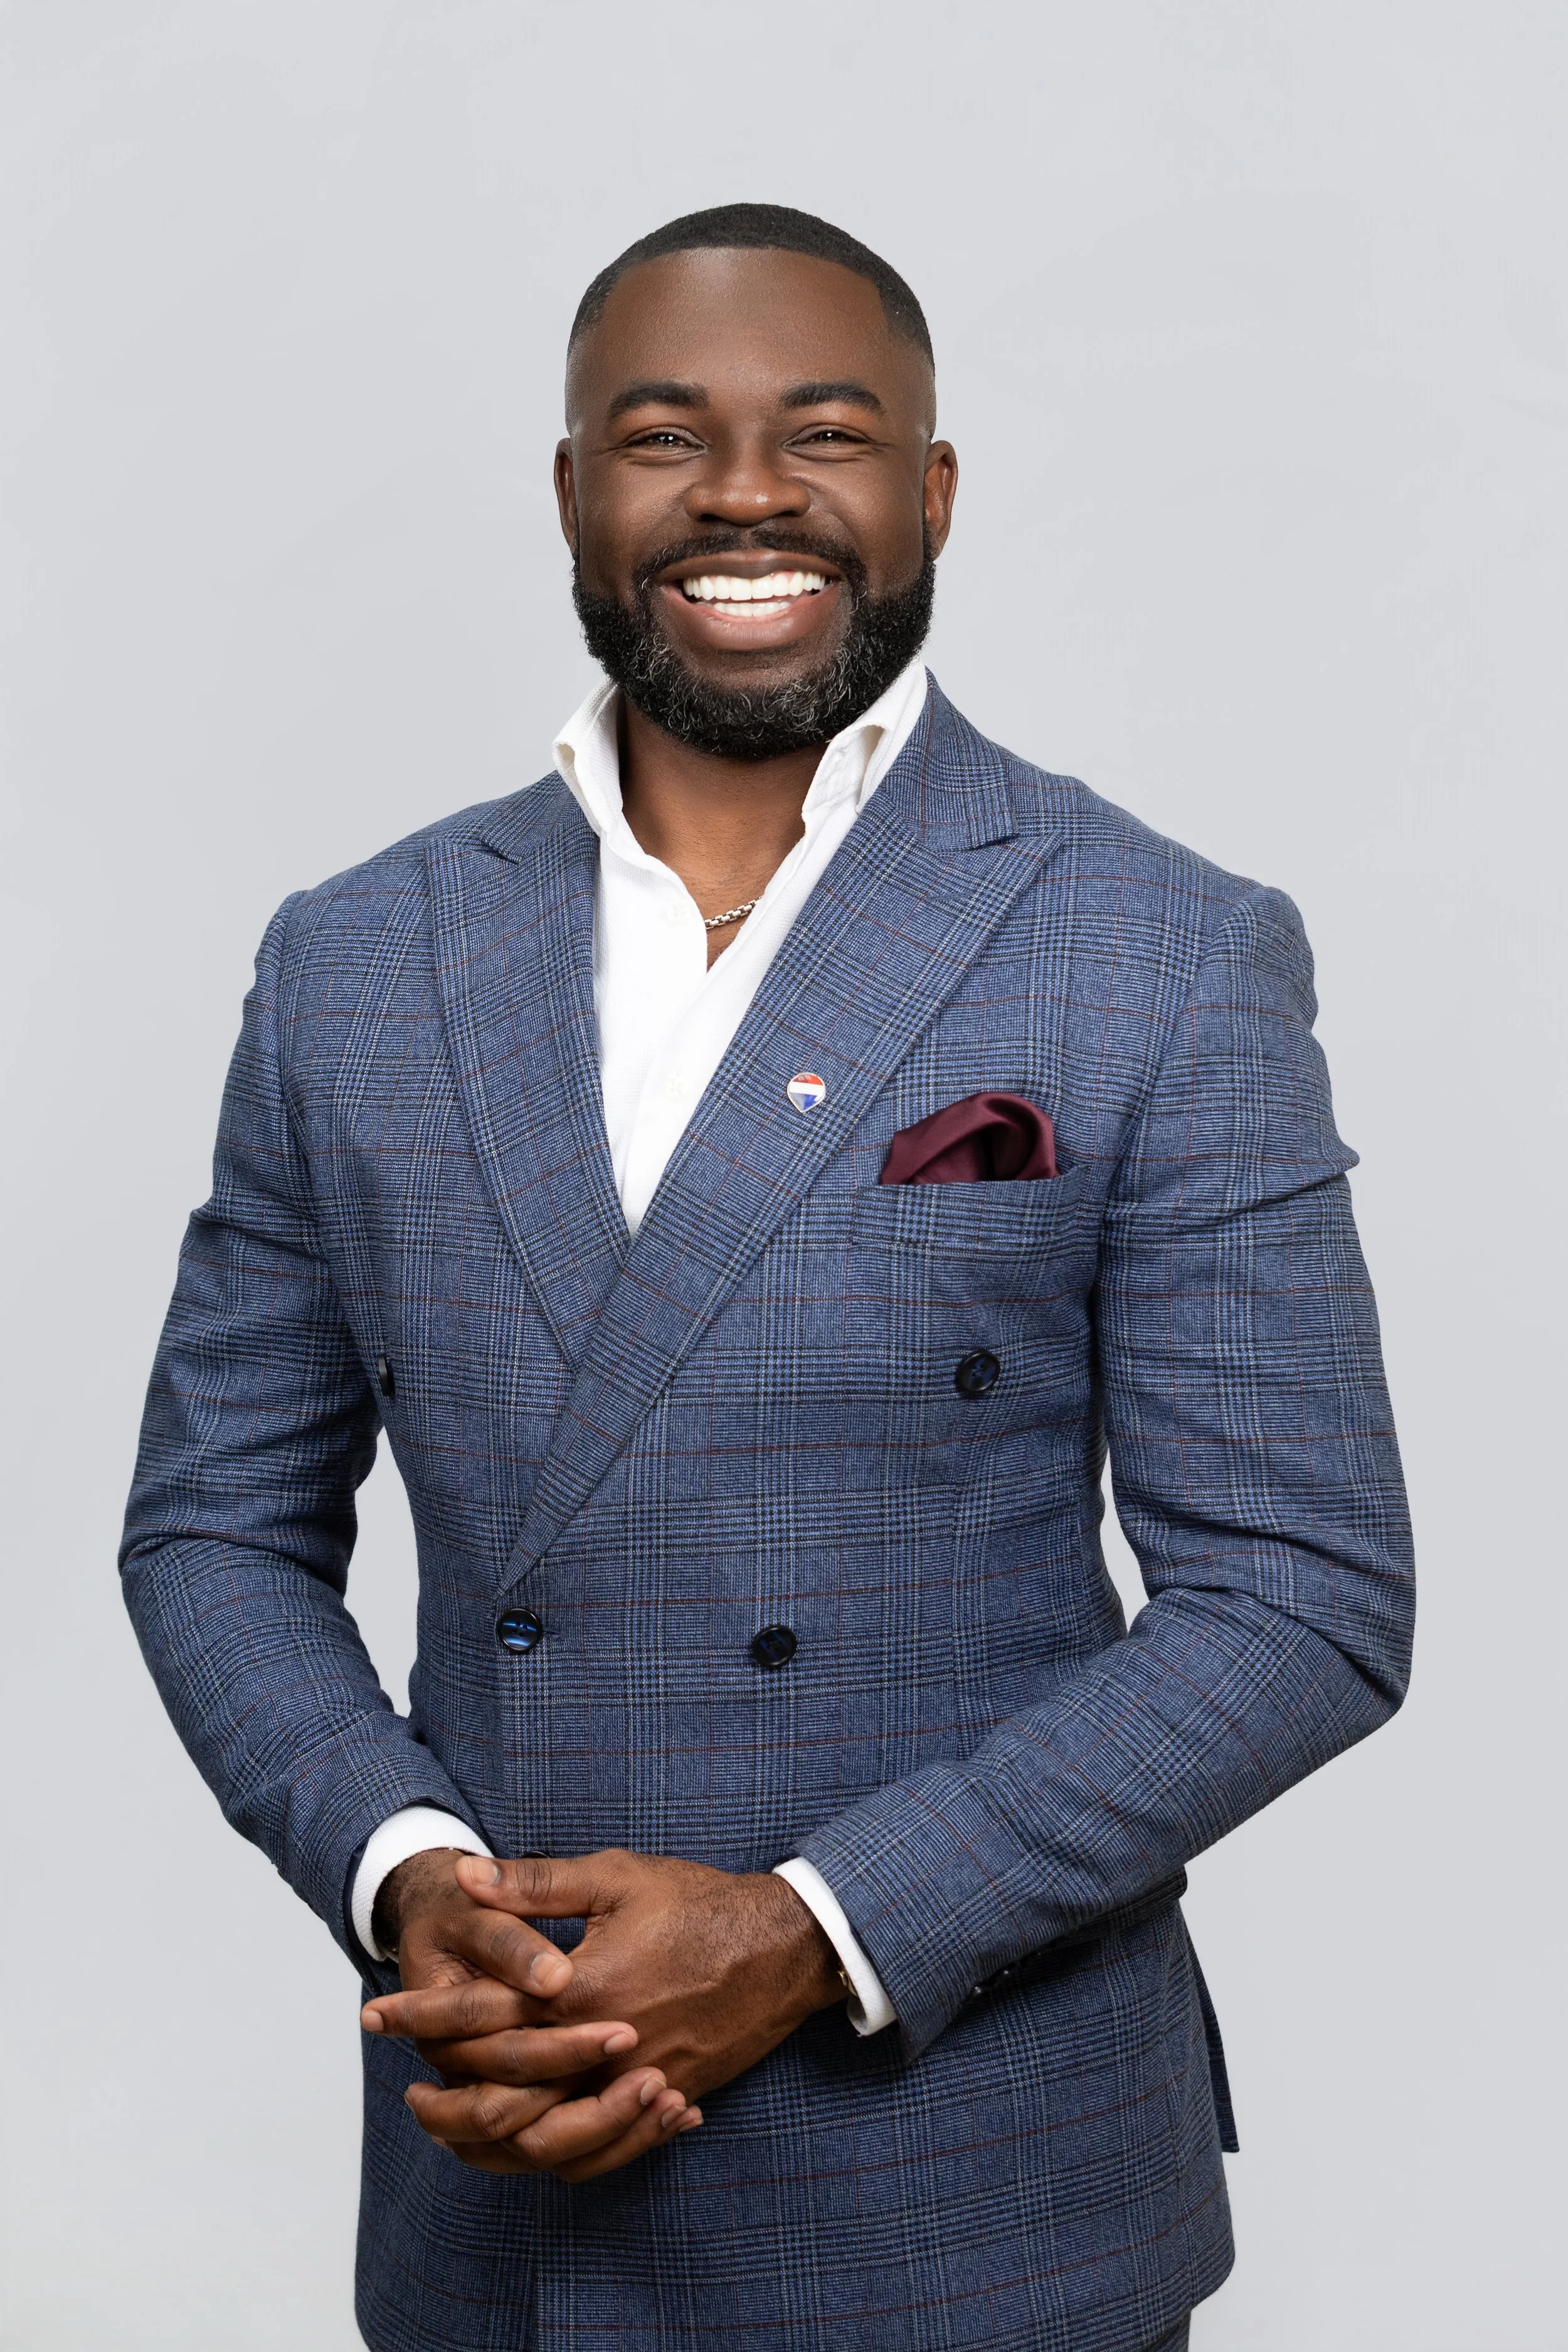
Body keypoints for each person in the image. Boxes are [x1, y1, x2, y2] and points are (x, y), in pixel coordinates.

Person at [121, 204, 1414, 2352]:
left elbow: (1301, 1588)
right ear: (570, 492)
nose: (741, 494)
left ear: (926, 490)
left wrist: (817, 1926)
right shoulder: (352, 961)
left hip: (973, 2185)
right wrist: (413, 1879)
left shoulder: (1157, 945)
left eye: (823, 432)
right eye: (662, 433)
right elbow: (213, 1529)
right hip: (501, 2148)